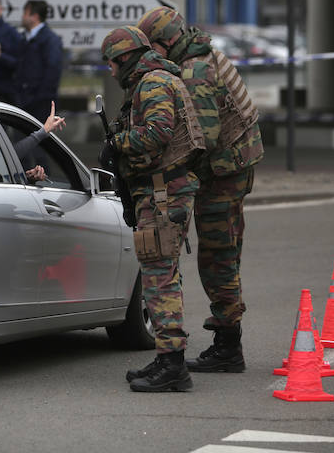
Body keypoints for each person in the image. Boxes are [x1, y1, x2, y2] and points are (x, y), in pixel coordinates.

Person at [137, 6, 263, 373]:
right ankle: (226, 342)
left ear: (166, 42)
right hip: (227, 166)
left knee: (218, 254)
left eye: (153, 48)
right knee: (220, 252)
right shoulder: (198, 55)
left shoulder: (194, 71)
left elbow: (200, 140)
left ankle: (228, 346)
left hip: (223, 172)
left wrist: (160, 169)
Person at [100, 25, 212, 393]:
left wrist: (117, 143)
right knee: (161, 273)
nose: (111, 73)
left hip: (165, 192)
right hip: (162, 190)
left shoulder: (153, 83)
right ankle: (168, 356)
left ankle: (173, 365)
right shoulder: (153, 81)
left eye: (112, 64)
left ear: (124, 58)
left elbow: (158, 133)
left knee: (159, 275)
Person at [15, 0, 63, 121]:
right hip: (24, 103)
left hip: (41, 106)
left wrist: (38, 98)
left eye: (25, 13)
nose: (22, 17)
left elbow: (52, 71)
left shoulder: (50, 40)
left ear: (34, 16)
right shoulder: (24, 38)